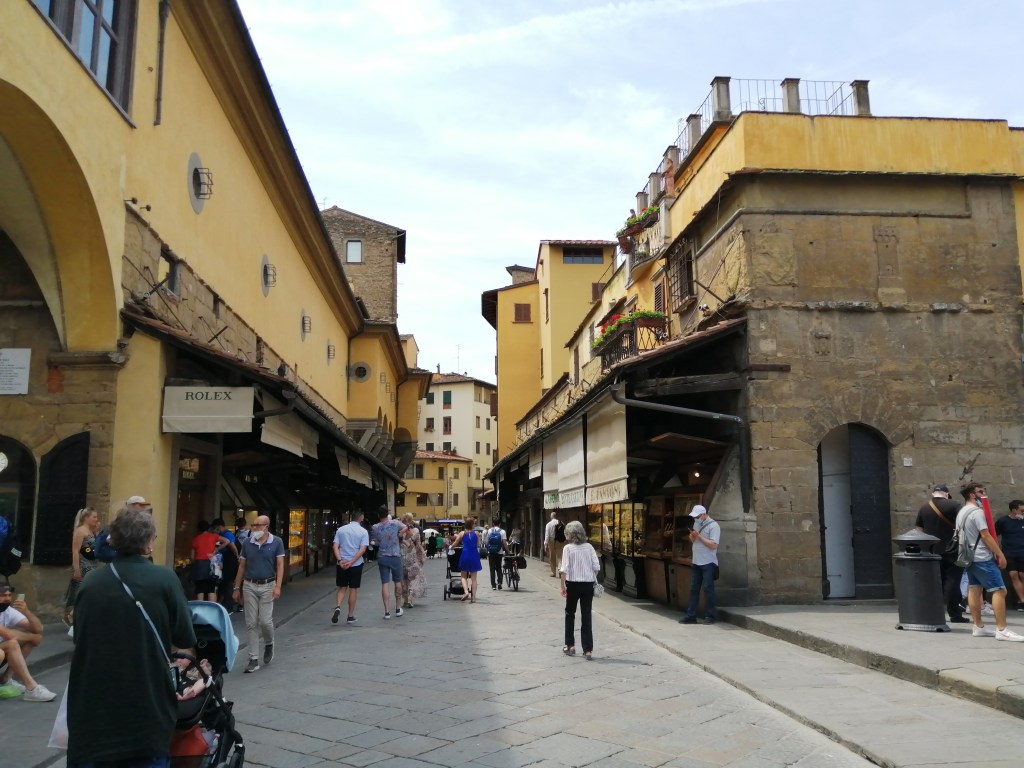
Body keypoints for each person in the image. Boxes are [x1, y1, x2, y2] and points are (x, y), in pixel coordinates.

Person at [67, 507, 195, 766]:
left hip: (93, 707)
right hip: (144, 703)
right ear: (149, 543)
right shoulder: (165, 578)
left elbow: (80, 636)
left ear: (112, 540)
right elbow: (184, 634)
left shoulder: (92, 582)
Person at [956, 483, 1024, 641]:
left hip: (968, 556)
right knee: (1000, 590)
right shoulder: (977, 512)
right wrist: (1000, 554)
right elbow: (986, 536)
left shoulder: (962, 512)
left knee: (974, 588)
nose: (984, 495)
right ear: (972, 495)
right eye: (981, 492)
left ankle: (978, 626)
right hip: (981, 556)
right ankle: (1002, 629)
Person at [232, 514, 285, 673]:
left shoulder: (276, 542)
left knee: (265, 621)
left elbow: (280, 565)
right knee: (250, 623)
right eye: (253, 525)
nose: (254, 528)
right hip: (249, 584)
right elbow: (242, 566)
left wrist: (278, 586)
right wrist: (236, 587)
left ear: (266, 526)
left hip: (268, 584)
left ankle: (269, 642)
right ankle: (253, 658)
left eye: (258, 525)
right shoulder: (248, 543)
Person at [915, 484, 969, 623]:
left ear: (933, 494)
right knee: (953, 581)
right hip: (952, 549)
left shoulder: (924, 507)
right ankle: (955, 614)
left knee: (933, 582)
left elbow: (919, 529)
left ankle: (932, 612)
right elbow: (965, 524)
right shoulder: (954, 505)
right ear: (947, 494)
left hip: (931, 550)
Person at [0, 585, 56, 701]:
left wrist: (27, 612)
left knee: (24, 641)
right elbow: (9, 635)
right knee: (10, 645)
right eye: (3, 596)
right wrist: (32, 636)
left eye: (9, 595)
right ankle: (32, 688)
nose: (7, 599)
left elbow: (39, 629)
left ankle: (7, 680)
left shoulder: (7, 611)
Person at [558, 520, 601, 660]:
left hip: (573, 584)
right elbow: (596, 567)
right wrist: (590, 576)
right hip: (588, 585)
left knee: (570, 614)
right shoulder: (589, 547)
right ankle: (588, 650)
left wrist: (562, 585)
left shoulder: (568, 548)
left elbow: (564, 569)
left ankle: (570, 645)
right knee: (586, 615)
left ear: (569, 534)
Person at [678, 504, 720, 625]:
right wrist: (692, 536)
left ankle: (710, 616)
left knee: (708, 589)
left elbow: (714, 545)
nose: (695, 518)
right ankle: (691, 615)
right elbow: (694, 541)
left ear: (703, 514)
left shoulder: (714, 526)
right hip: (696, 561)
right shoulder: (697, 523)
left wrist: (699, 537)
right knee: (693, 589)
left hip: (708, 562)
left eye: (697, 516)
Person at [63, 507, 103, 631]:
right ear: (86, 518)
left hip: (93, 563)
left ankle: (77, 614)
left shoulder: (92, 531)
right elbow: (75, 551)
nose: (96, 519)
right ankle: (72, 613)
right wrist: (76, 568)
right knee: (84, 589)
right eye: (94, 517)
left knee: (89, 589)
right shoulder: (80, 531)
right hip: (84, 564)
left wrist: (97, 530)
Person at [331, 511, 369, 624]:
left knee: (342, 587)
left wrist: (340, 560)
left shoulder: (341, 530)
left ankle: (338, 606)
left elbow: (335, 546)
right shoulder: (363, 531)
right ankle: (350, 615)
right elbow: (362, 549)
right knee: (353, 589)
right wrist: (352, 562)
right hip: (356, 564)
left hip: (342, 563)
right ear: (361, 518)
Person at [369, 505, 406, 619]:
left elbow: (373, 540)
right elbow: (406, 527)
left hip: (383, 557)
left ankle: (386, 611)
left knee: (385, 583)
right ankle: (398, 607)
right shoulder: (395, 523)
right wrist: (399, 535)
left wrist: (379, 541)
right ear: (387, 513)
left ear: (379, 515)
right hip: (395, 556)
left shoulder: (375, 527)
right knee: (398, 582)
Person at [190, 520, 235, 601]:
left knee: (200, 589)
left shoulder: (196, 539)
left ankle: (201, 609)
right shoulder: (213, 536)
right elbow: (227, 541)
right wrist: (217, 549)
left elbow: (192, 557)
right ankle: (213, 609)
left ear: (198, 529)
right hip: (212, 563)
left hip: (200, 565)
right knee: (212, 589)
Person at [995, 499, 1024, 611]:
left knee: (1022, 575)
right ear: (1014, 510)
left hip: (1022, 553)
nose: (1023, 513)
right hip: (1009, 553)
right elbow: (994, 535)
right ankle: (1022, 600)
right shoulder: (1003, 521)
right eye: (1022, 510)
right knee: (1014, 575)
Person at [211, 518, 240, 611]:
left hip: (229, 561)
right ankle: (224, 603)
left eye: (215, 527)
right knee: (224, 583)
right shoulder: (221, 534)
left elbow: (232, 545)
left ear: (219, 526)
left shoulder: (227, 534)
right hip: (224, 561)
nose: (215, 530)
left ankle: (228, 606)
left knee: (227, 582)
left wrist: (237, 557)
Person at [399, 513, 427, 608]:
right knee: (414, 578)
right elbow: (418, 545)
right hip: (412, 556)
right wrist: (421, 557)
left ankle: (405, 599)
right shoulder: (415, 531)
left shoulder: (399, 530)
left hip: (401, 556)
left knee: (403, 579)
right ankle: (410, 598)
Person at [451, 518, 482, 603]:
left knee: (463, 576)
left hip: (465, 555)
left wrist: (451, 547)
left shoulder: (462, 533)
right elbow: (478, 544)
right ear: (472, 525)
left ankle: (466, 592)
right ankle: (474, 598)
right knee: (474, 579)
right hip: (474, 555)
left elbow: (455, 543)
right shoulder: (477, 533)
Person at [483, 519, 507, 590]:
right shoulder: (502, 531)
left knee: (492, 569)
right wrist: (508, 550)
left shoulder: (490, 530)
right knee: (499, 568)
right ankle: (499, 583)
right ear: (500, 524)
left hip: (491, 552)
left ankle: (493, 585)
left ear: (493, 524)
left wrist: (488, 548)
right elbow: (504, 543)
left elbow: (486, 541)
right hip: (499, 552)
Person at [544, 512, 564, 577]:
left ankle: (553, 572)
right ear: (556, 516)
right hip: (560, 541)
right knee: (559, 556)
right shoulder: (561, 523)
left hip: (551, 541)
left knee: (552, 557)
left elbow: (547, 535)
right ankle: (560, 569)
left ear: (551, 517)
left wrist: (545, 544)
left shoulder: (548, 524)